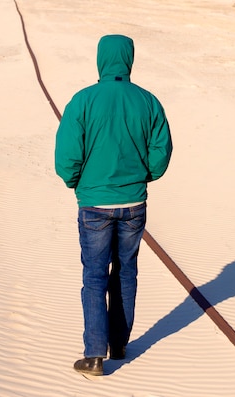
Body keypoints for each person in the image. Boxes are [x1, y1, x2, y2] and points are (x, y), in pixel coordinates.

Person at [55, 34, 173, 376]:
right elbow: (161, 151)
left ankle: (94, 355)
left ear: (100, 59)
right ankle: (119, 344)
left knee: (94, 275)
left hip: (94, 204)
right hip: (134, 203)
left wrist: (75, 181)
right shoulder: (148, 101)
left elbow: (67, 154)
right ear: (129, 59)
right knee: (126, 271)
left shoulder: (82, 100)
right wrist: (144, 175)